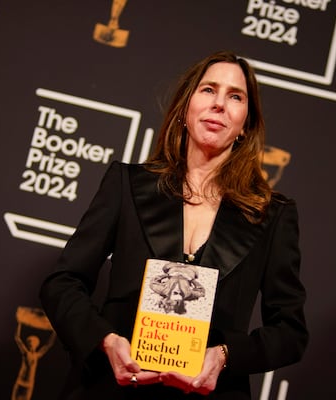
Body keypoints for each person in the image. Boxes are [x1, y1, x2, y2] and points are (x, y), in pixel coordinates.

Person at [39, 50, 308, 399]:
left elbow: (290, 330)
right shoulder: (127, 185)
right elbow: (62, 282)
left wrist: (225, 355)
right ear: (185, 107)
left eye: (235, 96)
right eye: (208, 90)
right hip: (110, 387)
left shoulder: (272, 215)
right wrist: (105, 341)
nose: (219, 104)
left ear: (246, 124)